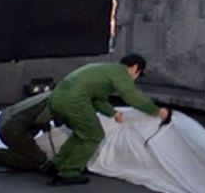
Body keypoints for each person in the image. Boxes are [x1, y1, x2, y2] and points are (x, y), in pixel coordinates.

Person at [44, 54, 167, 185]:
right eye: (138, 75)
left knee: (82, 134)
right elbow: (132, 95)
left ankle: (55, 165)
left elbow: (98, 99)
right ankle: (68, 173)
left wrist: (112, 113)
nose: (135, 79)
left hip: (56, 99)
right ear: (135, 68)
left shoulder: (104, 69)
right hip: (74, 102)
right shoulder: (121, 74)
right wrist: (156, 111)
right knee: (94, 135)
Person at [0, 90, 54, 174]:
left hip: (7, 119)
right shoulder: (56, 102)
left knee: (29, 152)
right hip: (13, 128)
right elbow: (42, 120)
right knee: (38, 161)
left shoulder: (51, 95)